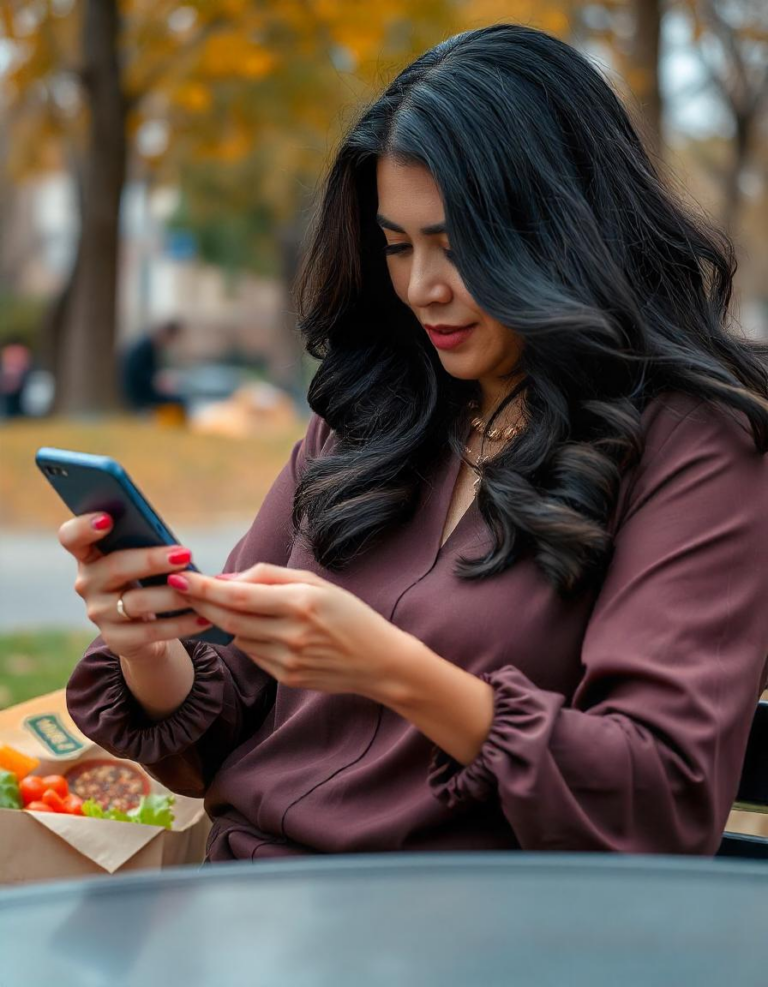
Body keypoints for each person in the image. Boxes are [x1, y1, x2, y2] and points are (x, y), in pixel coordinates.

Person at [61, 24, 768, 859]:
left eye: (458, 245)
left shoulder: (697, 443)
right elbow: (227, 725)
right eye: (397, 246)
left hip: (480, 935)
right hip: (253, 904)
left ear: (569, 229)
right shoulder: (372, 412)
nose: (422, 288)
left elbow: (659, 796)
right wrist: (148, 645)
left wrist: (393, 668)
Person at [120, 319, 184, 412]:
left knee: (177, 399)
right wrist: (158, 380)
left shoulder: (147, 345)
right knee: (179, 402)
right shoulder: (145, 347)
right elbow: (139, 373)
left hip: (140, 392)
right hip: (139, 395)